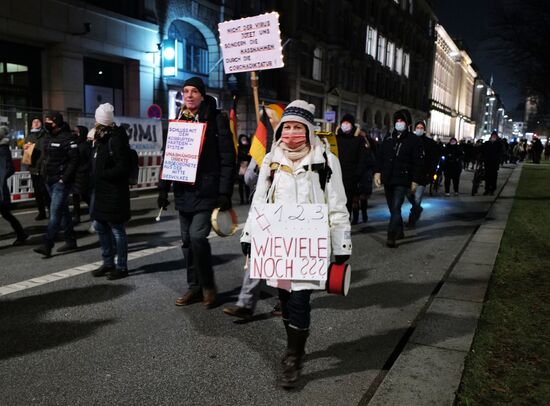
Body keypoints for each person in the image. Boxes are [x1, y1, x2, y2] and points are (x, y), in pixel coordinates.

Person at [240, 100, 351, 388]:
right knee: (286, 301)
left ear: (308, 130)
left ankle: (293, 356)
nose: (291, 133)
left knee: (300, 299)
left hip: (309, 247)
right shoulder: (270, 160)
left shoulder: (326, 160)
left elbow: (338, 205)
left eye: (297, 127)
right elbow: (259, 202)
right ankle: (296, 342)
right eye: (286, 127)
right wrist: (249, 237)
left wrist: (342, 246)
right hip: (278, 245)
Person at [158, 77, 235, 308]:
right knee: (186, 242)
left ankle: (208, 286)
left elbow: (227, 158)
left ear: (202, 95)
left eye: (194, 91)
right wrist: (163, 188)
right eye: (186, 91)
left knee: (197, 237)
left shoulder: (216, 119)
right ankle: (194, 287)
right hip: (184, 190)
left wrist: (224, 192)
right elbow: (169, 157)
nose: (189, 95)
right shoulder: (179, 121)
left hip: (206, 189)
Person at [223, 108, 282, 320]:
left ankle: (286, 301)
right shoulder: (262, 148)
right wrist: (260, 168)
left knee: (284, 257)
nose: (268, 123)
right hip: (263, 209)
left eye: (272, 119)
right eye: (266, 120)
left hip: (288, 212)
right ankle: (246, 304)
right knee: (257, 255)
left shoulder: (293, 148)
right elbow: (248, 179)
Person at [88, 103, 132, 280]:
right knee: (100, 226)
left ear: (101, 121)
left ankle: (121, 266)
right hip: (102, 191)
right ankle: (108, 263)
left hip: (114, 191)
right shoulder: (100, 137)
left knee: (117, 230)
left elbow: (123, 166)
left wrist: (103, 174)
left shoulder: (115, 138)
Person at [374, 109, 424, 248]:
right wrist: (378, 172)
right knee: (392, 208)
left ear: (407, 123)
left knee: (396, 206)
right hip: (388, 178)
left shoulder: (414, 140)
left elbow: (417, 162)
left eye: (402, 121)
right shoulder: (389, 138)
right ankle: (400, 230)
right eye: (397, 121)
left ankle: (391, 235)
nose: (399, 123)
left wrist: (415, 180)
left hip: (403, 179)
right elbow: (380, 156)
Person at [33, 112, 78, 257]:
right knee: (63, 210)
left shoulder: (68, 138)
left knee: (55, 213)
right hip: (49, 180)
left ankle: (47, 244)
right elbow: (45, 157)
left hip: (60, 182)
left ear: (56, 123)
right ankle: (71, 241)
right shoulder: (48, 136)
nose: (47, 124)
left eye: (49, 122)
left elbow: (74, 160)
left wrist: (63, 178)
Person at [407, 120, 438, 226]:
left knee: (417, 197)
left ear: (424, 129)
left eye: (421, 127)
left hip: (422, 175)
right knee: (408, 194)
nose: (419, 129)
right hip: (410, 174)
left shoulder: (430, 143)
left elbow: (433, 159)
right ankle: (417, 209)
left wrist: (431, 173)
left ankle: (412, 219)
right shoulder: (410, 140)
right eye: (417, 127)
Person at [0, 126, 27, 245]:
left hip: (0, 189)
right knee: (6, 214)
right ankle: (22, 234)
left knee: (6, 213)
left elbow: (10, 169)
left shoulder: (3, 149)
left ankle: (21, 234)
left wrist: (1, 178)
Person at [335, 114, 363, 224]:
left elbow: (362, 159)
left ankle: (346, 222)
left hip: (351, 178)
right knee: (336, 201)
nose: (345, 125)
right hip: (336, 176)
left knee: (347, 202)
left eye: (348, 123)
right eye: (343, 123)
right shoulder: (336, 139)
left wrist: (358, 174)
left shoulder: (358, 140)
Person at [24, 118, 50, 220]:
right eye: (33, 121)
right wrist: (26, 151)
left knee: (45, 192)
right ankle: (41, 213)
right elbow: (26, 155)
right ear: (31, 125)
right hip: (34, 168)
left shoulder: (45, 135)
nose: (35, 123)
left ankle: (51, 211)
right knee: (38, 192)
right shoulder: (29, 136)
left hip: (44, 167)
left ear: (41, 124)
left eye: (37, 121)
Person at [71, 125, 91, 225]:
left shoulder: (86, 145)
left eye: (77, 132)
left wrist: (83, 169)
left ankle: (94, 212)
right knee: (75, 196)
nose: (75, 133)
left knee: (84, 195)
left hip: (83, 174)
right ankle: (77, 216)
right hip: (75, 174)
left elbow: (89, 160)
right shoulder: (74, 144)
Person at [357, 127, 376, 223]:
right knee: (355, 196)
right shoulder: (355, 142)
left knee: (363, 196)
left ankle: (364, 215)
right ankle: (355, 218)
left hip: (365, 173)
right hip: (356, 173)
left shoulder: (369, 143)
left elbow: (372, 157)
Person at [482, 131, 503, 195]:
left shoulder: (499, 144)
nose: (493, 137)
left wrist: (498, 159)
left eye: (494, 136)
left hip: (495, 162)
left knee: (493, 177)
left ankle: (492, 189)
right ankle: (487, 189)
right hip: (487, 162)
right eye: (492, 136)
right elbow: (483, 150)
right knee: (487, 176)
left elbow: (501, 152)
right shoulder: (487, 143)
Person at [237, 134, 251, 204]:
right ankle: (242, 200)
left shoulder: (249, 148)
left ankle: (248, 199)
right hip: (240, 168)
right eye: (242, 139)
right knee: (240, 184)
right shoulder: (238, 148)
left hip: (247, 167)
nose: (244, 141)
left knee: (247, 184)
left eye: (245, 139)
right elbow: (238, 157)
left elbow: (250, 157)